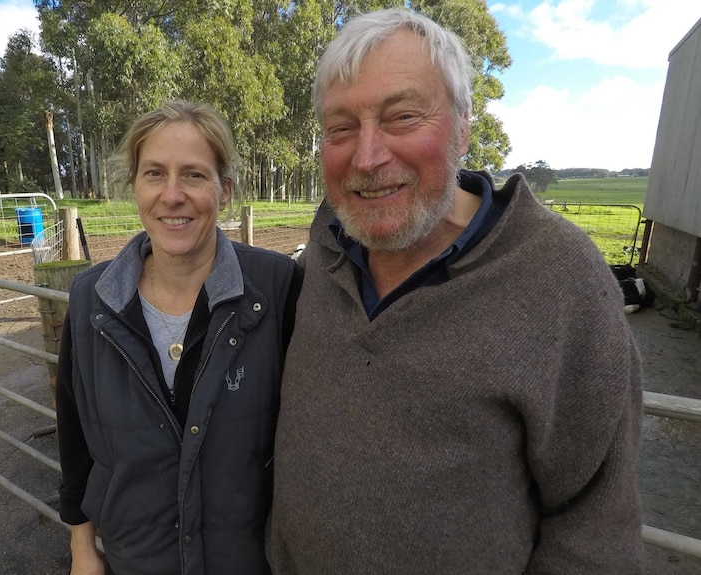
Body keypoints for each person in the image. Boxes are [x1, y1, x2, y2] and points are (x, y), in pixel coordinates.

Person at [267, 8, 642, 575]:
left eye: (402, 118)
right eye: (341, 128)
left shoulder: (559, 278)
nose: (366, 158)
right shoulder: (325, 247)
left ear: (464, 127)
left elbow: (595, 522)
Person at [56, 100, 301, 575]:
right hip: (136, 557)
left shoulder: (276, 289)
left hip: (246, 560)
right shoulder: (91, 300)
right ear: (134, 187)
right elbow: (74, 436)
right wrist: (82, 550)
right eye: (154, 174)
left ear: (224, 190)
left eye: (193, 175)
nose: (172, 195)